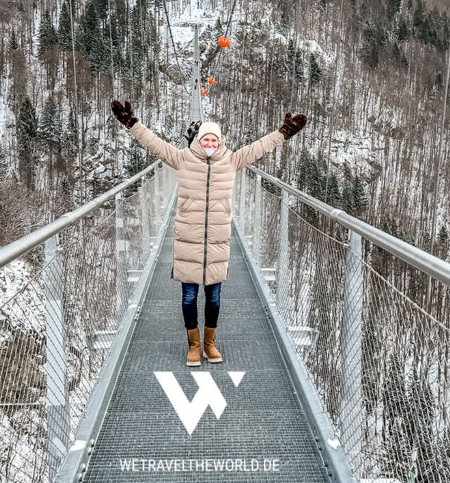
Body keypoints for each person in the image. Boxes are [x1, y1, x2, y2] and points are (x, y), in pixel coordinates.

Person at [111, 100, 307, 366]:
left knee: (214, 297)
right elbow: (154, 144)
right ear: (199, 140)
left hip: (217, 240)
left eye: (215, 140)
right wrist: (132, 125)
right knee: (189, 296)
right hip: (188, 240)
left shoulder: (231, 160)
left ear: (220, 141)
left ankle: (209, 343)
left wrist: (282, 134)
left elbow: (259, 148)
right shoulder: (182, 158)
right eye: (206, 139)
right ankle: (193, 345)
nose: (210, 144)